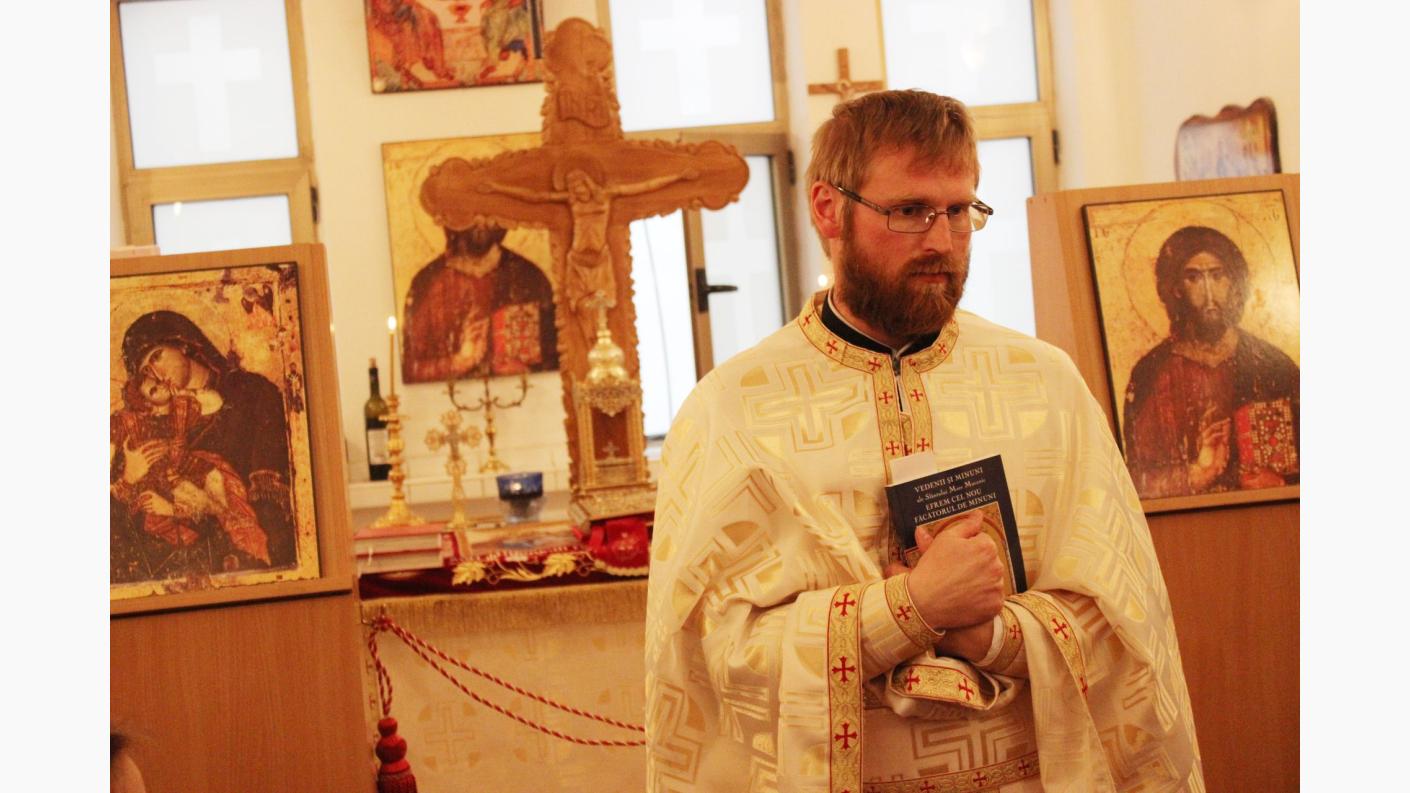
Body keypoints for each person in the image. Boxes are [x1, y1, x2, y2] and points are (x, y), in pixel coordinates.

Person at [645, 91, 1202, 792]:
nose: (942, 241)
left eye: (959, 210)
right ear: (828, 209)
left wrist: (992, 635)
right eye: (910, 210)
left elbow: (1122, 619)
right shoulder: (733, 411)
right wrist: (909, 609)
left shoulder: (1045, 386)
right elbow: (711, 655)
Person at [112, 311, 297, 583]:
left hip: (253, 566)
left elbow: (274, 507)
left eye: (157, 356)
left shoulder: (252, 393)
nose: (157, 375)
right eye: (146, 373)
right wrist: (130, 478)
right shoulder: (153, 429)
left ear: (183, 344)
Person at [1122, 225, 1299, 499]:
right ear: (1175, 288)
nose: (1208, 292)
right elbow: (1134, 480)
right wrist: (1198, 474)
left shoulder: (1274, 367)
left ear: (1234, 283)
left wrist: (1279, 484)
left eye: (1217, 276)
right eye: (1193, 278)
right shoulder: (1151, 374)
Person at [110, 373, 270, 563]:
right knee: (189, 497)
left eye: (159, 381)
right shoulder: (131, 422)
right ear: (147, 405)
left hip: (188, 467)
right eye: (154, 390)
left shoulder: (180, 408)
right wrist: (129, 475)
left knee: (216, 480)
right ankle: (221, 524)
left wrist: (184, 392)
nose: (162, 385)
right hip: (158, 480)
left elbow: (215, 402)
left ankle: (231, 525)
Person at [401, 220, 558, 382]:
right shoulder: (427, 283)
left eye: (488, 213)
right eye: (471, 213)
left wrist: (526, 372)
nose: (481, 222)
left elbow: (557, 361)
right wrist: (457, 363)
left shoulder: (530, 277)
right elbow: (410, 370)